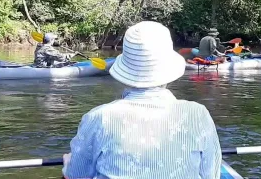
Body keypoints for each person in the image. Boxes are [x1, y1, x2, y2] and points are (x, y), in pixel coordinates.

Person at [62, 21, 222, 179]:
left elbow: (76, 174)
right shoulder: (198, 115)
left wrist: (69, 164)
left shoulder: (99, 117)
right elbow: (211, 174)